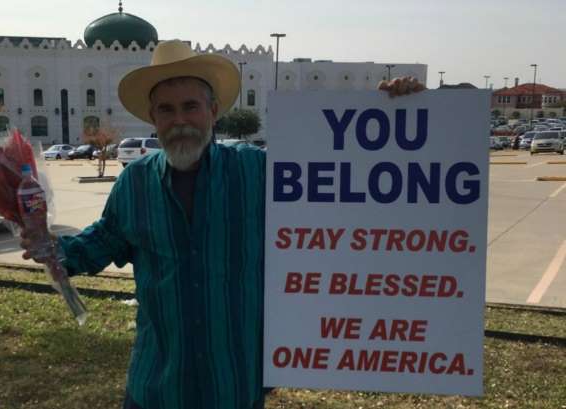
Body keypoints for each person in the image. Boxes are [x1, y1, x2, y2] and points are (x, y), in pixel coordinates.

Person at [21, 39, 424, 409]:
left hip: (233, 387)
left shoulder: (259, 173)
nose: (180, 120)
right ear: (152, 117)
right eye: (166, 109)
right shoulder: (135, 183)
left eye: (191, 106)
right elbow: (99, 244)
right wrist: (50, 246)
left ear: (213, 111)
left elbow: (350, 190)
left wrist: (396, 111)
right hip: (157, 389)